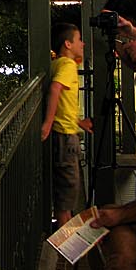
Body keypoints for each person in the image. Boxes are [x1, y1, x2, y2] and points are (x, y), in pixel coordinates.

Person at [47, 22, 92, 223]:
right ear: (67, 44)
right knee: (66, 198)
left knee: (65, 194)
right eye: (79, 39)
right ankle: (68, 250)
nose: (82, 44)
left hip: (65, 131)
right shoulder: (67, 65)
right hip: (64, 136)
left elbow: (63, 101)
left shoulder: (55, 64)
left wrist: (79, 122)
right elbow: (56, 89)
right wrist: (48, 123)